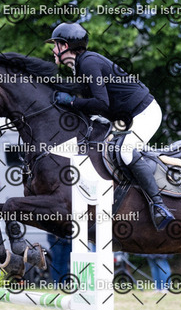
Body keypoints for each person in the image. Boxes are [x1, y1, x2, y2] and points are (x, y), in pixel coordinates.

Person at [46, 22, 174, 230]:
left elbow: (101, 103)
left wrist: (72, 102)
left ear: (66, 46)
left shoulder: (88, 63)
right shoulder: (80, 66)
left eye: (56, 45)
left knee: (125, 151)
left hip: (145, 113)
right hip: (124, 119)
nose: (53, 50)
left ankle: (159, 206)